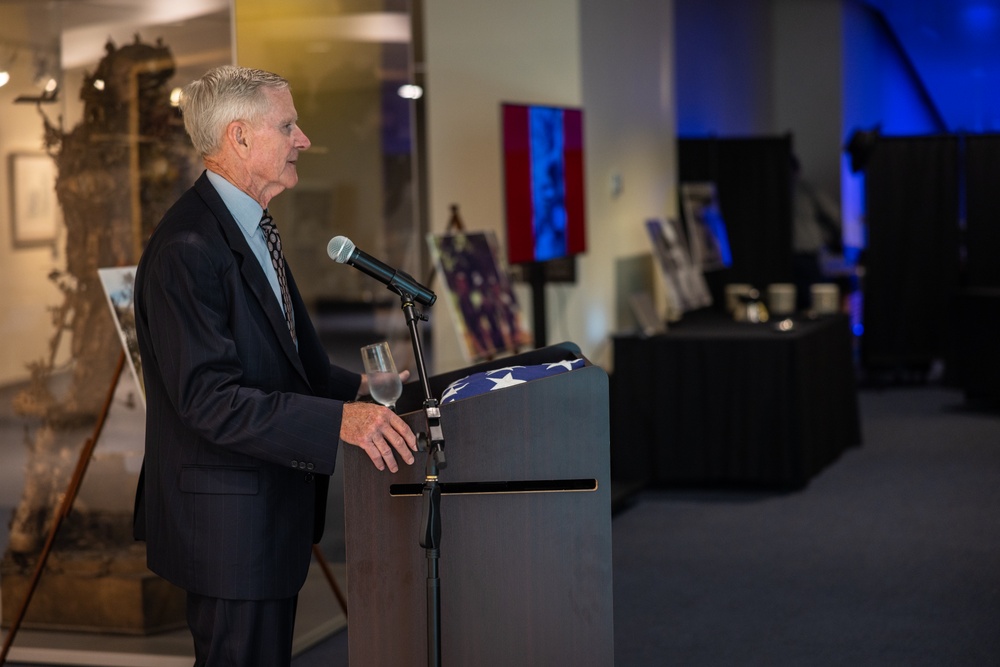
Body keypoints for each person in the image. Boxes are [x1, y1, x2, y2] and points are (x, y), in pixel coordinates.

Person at [132, 65, 418, 667]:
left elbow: (291, 363)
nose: (304, 139)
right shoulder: (188, 247)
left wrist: (361, 389)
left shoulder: (252, 225)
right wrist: (341, 421)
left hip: (264, 511)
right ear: (239, 138)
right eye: (287, 125)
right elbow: (209, 399)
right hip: (228, 525)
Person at [790, 154, 843, 311]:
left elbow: (835, 217)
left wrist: (833, 240)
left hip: (806, 256)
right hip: (801, 255)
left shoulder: (806, 190)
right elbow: (835, 217)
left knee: (811, 301)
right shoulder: (806, 189)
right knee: (809, 303)